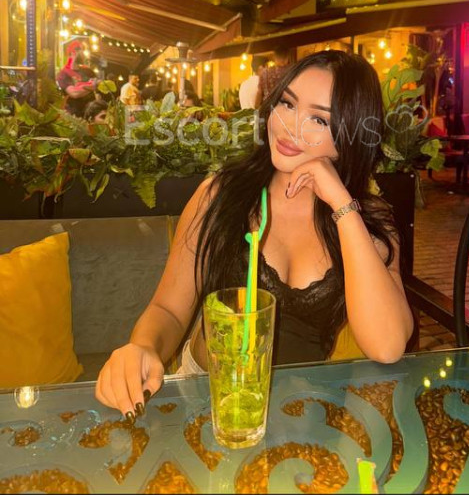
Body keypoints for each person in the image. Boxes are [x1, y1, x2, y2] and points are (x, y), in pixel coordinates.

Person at [95, 49, 414, 420]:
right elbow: (168, 309)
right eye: (287, 103)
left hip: (304, 408)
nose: (290, 126)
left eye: (318, 119)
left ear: (352, 134)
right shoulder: (221, 195)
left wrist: (342, 205)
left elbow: (387, 345)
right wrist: (144, 347)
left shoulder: (367, 221)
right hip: (209, 397)